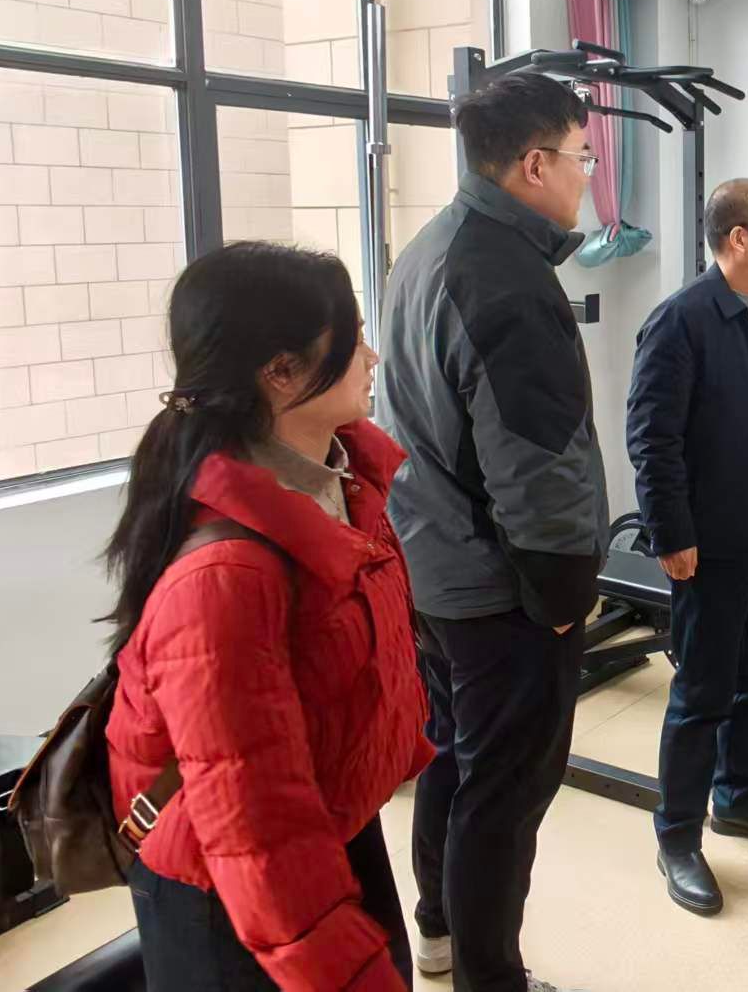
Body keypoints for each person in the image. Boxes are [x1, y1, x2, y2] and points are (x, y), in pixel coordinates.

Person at [103, 242, 431, 991]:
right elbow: (256, 827)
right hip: (233, 885)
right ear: (280, 372)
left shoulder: (343, 479)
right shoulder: (225, 577)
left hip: (331, 819)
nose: (373, 356)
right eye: (353, 340)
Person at [375, 73, 607, 992]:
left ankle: (437, 931)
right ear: (534, 163)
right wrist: (560, 598)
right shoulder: (506, 280)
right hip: (497, 589)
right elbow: (536, 465)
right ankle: (489, 977)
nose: (588, 176)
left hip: (430, 568)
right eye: (582, 157)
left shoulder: (430, 247)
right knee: (504, 798)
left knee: (454, 755)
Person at [627, 178, 748, 918]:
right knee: (702, 691)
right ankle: (676, 836)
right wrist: (671, 534)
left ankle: (738, 795)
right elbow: (652, 438)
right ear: (739, 238)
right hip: (711, 543)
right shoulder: (681, 321)